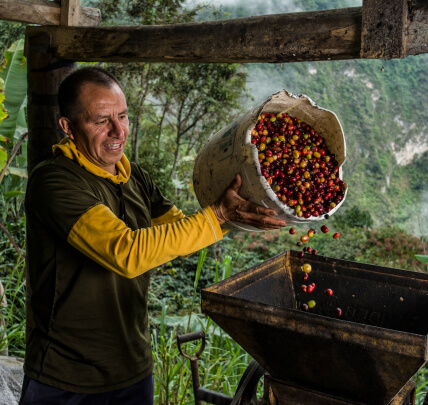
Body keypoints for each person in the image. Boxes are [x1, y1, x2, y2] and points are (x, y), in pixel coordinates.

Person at [20, 67, 286, 404]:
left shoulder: (135, 178)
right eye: (102, 120)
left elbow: (179, 231)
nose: (118, 131)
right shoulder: (55, 181)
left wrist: (240, 210)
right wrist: (218, 214)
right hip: (65, 377)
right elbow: (126, 253)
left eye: (123, 116)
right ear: (68, 127)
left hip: (132, 368)